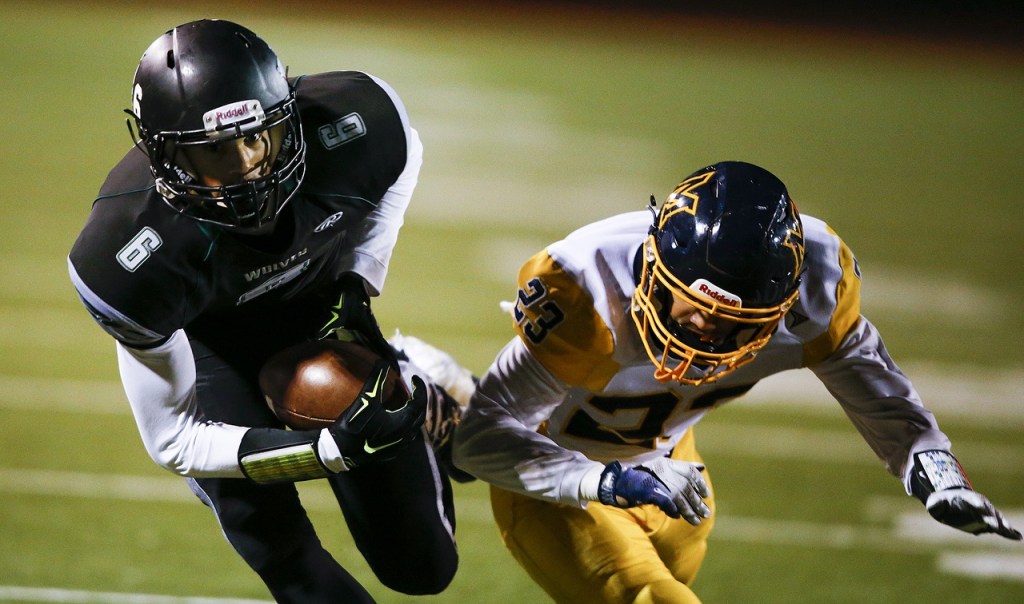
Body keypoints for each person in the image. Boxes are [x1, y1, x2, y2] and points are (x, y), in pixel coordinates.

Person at [420, 160, 1021, 603]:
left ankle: (458, 391)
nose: (703, 327)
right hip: (560, 476)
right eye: (689, 302)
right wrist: (604, 480)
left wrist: (934, 470)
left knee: (673, 574)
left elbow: (871, 381)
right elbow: (483, 443)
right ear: (653, 263)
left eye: (734, 321)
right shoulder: (586, 287)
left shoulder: (815, 285)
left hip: (673, 470)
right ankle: (446, 400)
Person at [67, 19, 463, 603]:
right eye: (217, 152)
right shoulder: (129, 253)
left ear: (289, 115)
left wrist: (359, 275)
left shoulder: (356, 121)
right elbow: (173, 440)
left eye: (258, 136)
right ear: (164, 156)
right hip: (210, 352)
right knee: (286, 558)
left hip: (320, 311)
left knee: (424, 570)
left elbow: (402, 156)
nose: (249, 164)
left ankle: (415, 381)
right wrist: (323, 453)